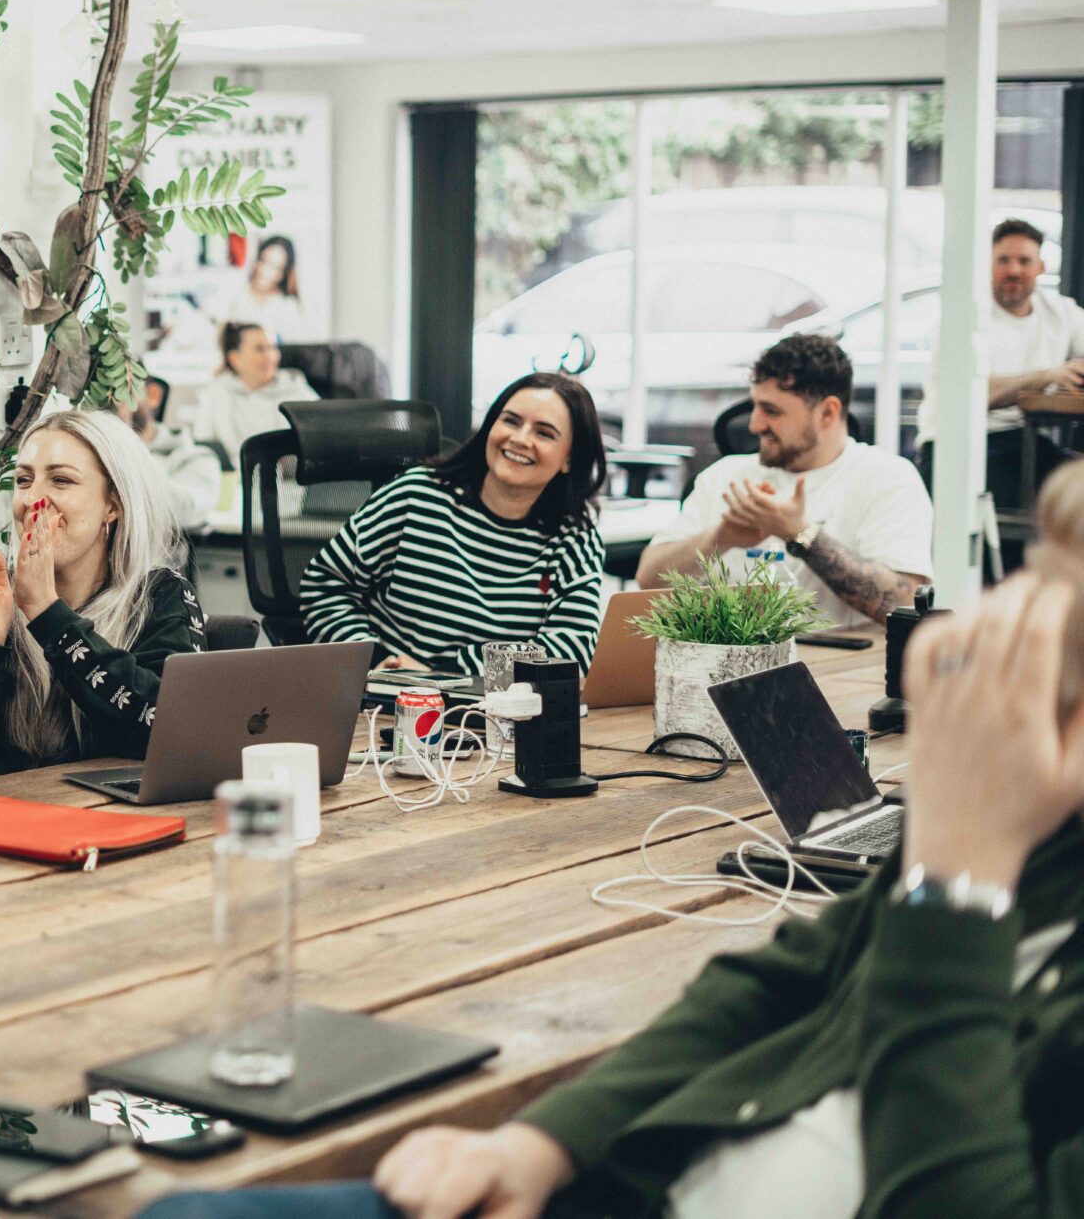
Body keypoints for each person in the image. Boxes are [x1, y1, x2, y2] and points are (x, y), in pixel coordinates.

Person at [149, 460, 1084, 1219]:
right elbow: (771, 987)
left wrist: (957, 885)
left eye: (1064, 607)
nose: (1025, 628)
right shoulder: (1045, 836)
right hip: (635, 1183)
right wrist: (541, 1141)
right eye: (1039, 582)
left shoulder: (981, 853)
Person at [0, 409, 205, 789]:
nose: (32, 499)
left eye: (61, 480)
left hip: (106, 822)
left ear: (112, 504)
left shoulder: (160, 597)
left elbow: (177, 733)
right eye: (23, 480)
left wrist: (49, 617)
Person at [299, 372, 608, 674]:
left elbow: (572, 650)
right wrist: (374, 660)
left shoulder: (574, 536)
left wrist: (449, 676)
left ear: (569, 459)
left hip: (493, 703)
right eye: (510, 421)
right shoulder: (418, 494)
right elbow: (324, 584)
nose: (519, 439)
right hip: (386, 692)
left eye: (544, 433)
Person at [640, 334, 933, 628]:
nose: (754, 424)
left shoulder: (887, 478)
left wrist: (802, 535)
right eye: (755, 406)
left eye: (772, 411)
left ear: (827, 412)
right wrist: (720, 538)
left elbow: (904, 602)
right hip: (731, 654)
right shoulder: (723, 475)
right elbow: (648, 580)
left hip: (834, 654)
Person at [917, 217, 1084, 509]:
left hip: (1025, 442)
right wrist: (1049, 376)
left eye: (1024, 261)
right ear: (988, 265)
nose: (1014, 270)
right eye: (1003, 260)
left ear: (1040, 267)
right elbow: (969, 394)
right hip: (956, 444)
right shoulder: (965, 316)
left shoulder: (1061, 312)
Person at [190, 322, 320, 472]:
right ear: (235, 358)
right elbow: (204, 448)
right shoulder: (215, 394)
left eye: (272, 347)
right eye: (260, 349)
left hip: (292, 481)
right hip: (233, 480)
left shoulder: (298, 390)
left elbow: (321, 442)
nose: (270, 356)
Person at [117, 375, 222, 532]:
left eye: (120, 391)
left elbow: (186, 510)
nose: (113, 402)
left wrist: (123, 447)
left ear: (153, 395)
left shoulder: (196, 458)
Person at [216, 234, 318, 342]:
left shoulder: (287, 307)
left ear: (284, 273)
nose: (265, 272)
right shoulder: (235, 290)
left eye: (276, 267)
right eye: (264, 261)